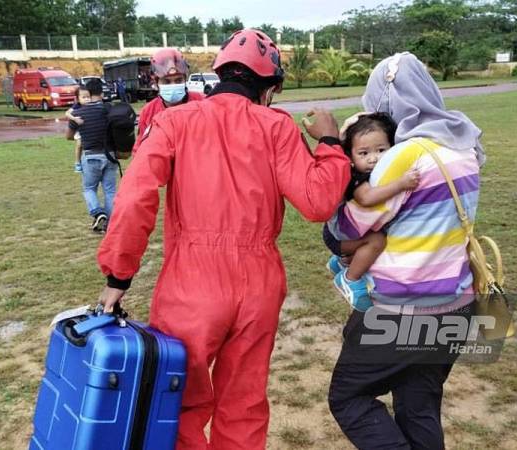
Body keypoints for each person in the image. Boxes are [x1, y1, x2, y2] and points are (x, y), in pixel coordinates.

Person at [97, 29, 352, 449]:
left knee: (178, 402)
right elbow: (318, 201)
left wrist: (118, 276)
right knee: (244, 402)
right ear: (271, 88)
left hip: (191, 282)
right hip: (260, 283)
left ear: (217, 74)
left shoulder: (173, 121)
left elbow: (134, 196)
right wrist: (328, 142)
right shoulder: (278, 126)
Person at [327, 52, 485, 450]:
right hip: (457, 302)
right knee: (419, 406)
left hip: (403, 310)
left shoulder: (402, 157)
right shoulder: (465, 145)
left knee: (349, 396)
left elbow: (349, 227)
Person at [324, 112, 420, 311]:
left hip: (348, 232)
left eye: (381, 150)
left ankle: (341, 262)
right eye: (364, 153)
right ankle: (350, 279)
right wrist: (402, 183)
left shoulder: (378, 172)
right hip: (339, 234)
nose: (373, 159)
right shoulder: (355, 175)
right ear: (350, 156)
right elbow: (366, 199)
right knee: (377, 241)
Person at [66, 78, 118, 233]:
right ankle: (109, 223)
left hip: (90, 156)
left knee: (89, 188)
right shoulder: (107, 109)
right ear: (101, 94)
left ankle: (97, 212)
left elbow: (69, 136)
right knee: (109, 190)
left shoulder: (78, 112)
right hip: (110, 156)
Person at [131, 48, 204, 157]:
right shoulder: (149, 111)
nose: (173, 85)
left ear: (185, 80)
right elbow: (141, 150)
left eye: (178, 80)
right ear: (156, 82)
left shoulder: (202, 102)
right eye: (166, 81)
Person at [65, 86, 91, 173]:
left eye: (88, 97)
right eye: (84, 97)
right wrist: (74, 118)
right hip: (80, 129)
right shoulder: (77, 106)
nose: (87, 99)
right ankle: (77, 163)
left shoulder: (92, 105)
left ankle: (86, 162)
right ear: (78, 99)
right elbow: (67, 113)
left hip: (89, 128)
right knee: (79, 144)